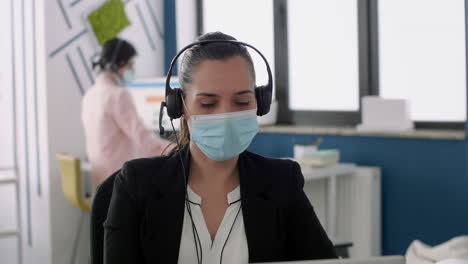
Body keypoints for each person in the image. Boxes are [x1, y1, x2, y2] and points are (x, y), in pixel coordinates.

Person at [103, 32, 337, 263]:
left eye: (242, 102)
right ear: (180, 106)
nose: (225, 115)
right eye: (208, 103)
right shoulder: (136, 184)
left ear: (260, 103)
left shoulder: (282, 181)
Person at [81, 37, 169, 190]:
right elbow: (145, 142)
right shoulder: (117, 95)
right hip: (119, 183)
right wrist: (179, 149)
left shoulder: (90, 95)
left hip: (102, 184)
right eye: (131, 65)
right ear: (119, 64)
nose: (132, 70)